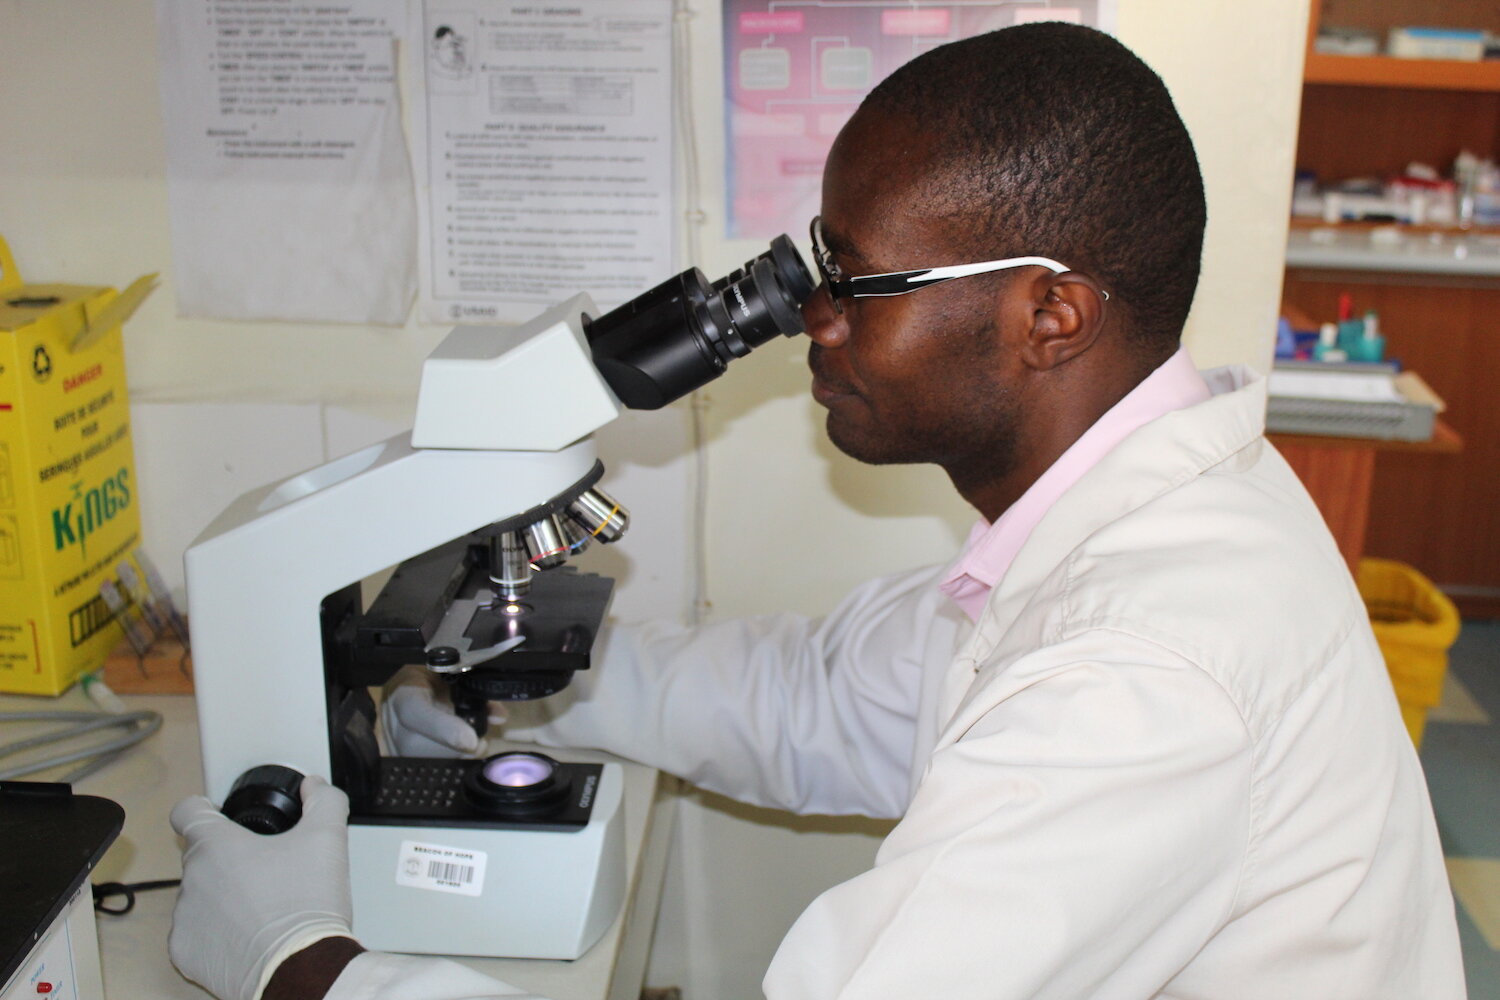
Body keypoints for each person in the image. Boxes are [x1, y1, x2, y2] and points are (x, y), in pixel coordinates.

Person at [168, 23, 1465, 1000]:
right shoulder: (1147, 509)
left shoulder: (1141, 670)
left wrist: (305, 962)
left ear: (1049, 313)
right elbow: (828, 702)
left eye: (855, 281)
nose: (811, 323)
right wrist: (532, 675)